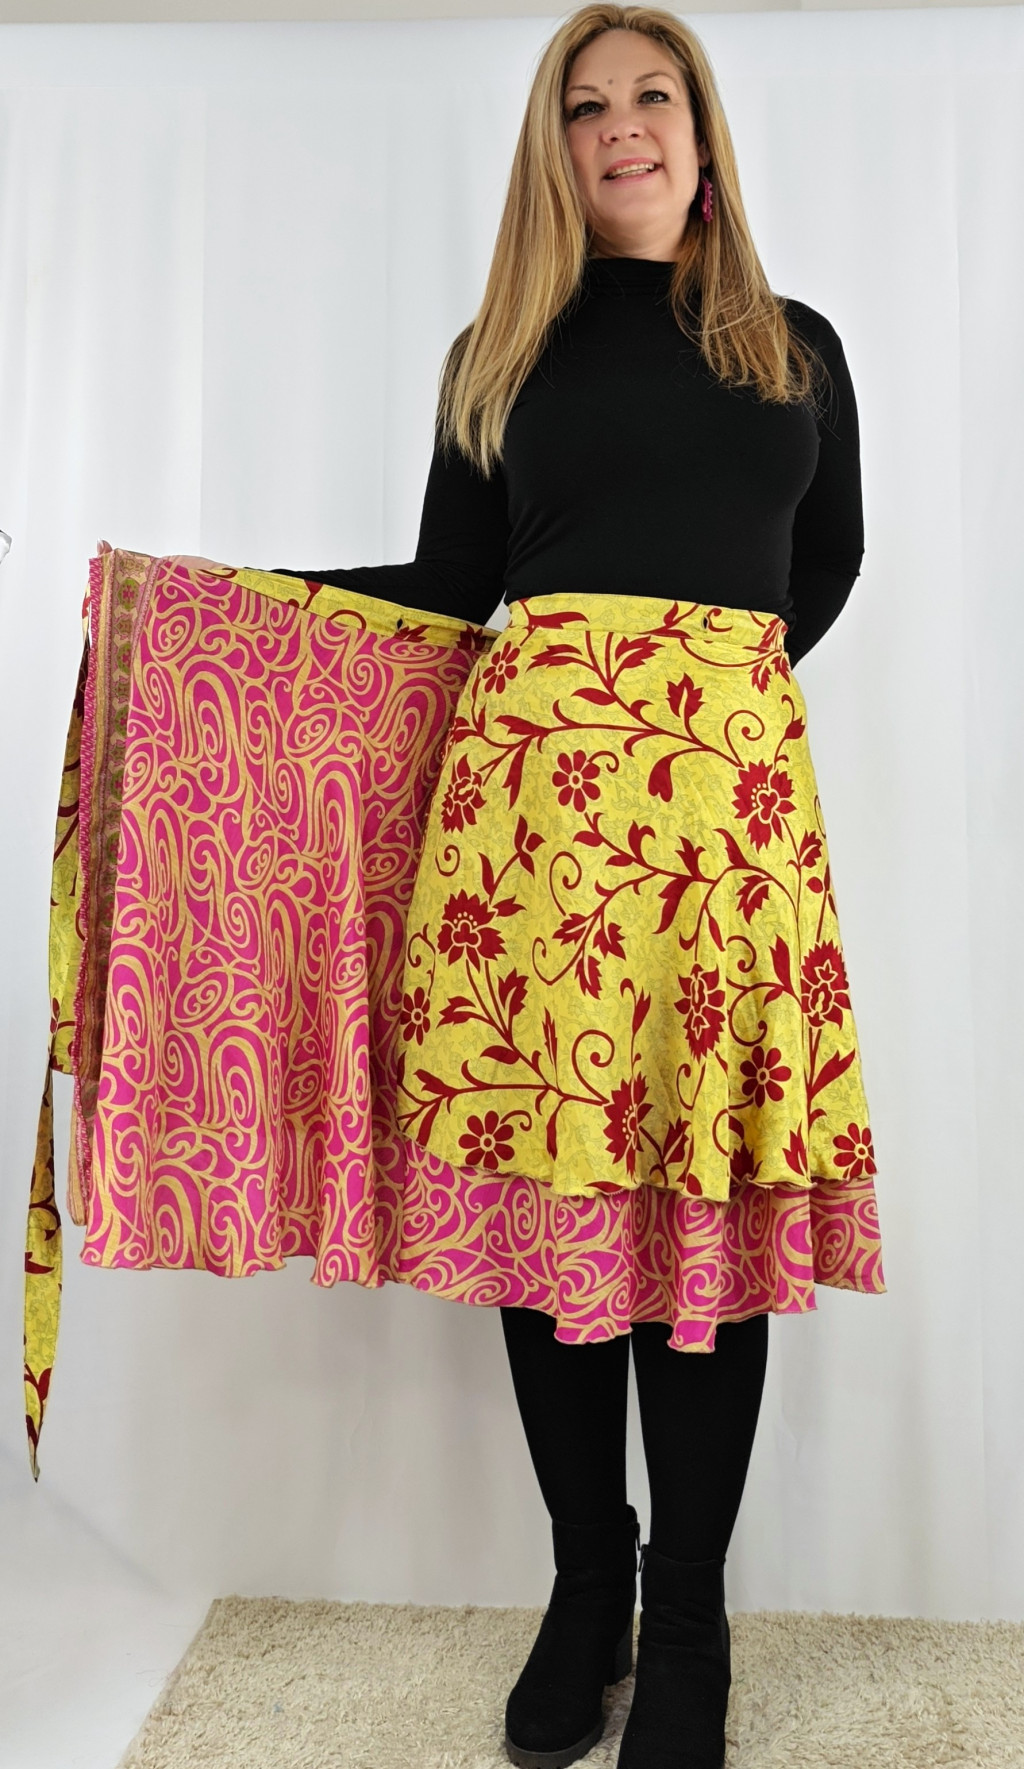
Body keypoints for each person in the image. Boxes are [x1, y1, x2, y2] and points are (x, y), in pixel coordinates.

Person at [279, 7, 884, 1766]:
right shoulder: (500, 354)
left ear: (702, 127)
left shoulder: (796, 344)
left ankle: (687, 1621)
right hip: (529, 845)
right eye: (586, 106)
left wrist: (695, 710)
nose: (622, 127)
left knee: (709, 1215)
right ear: (555, 148)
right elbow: (444, 588)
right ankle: (584, 1583)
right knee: (554, 1217)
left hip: (726, 854)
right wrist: (224, 596)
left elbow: (827, 558)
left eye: (651, 95)